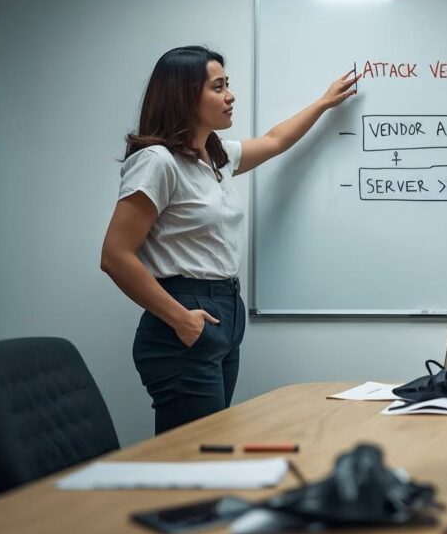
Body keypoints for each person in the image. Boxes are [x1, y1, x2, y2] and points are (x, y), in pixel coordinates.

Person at [101, 46, 356, 434]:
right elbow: (115, 256)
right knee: (192, 463)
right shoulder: (158, 161)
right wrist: (181, 319)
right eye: (218, 87)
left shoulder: (212, 159)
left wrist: (323, 103)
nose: (230, 95)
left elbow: (274, 141)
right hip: (185, 313)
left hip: (223, 312)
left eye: (228, 85)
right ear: (185, 95)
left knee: (209, 451)